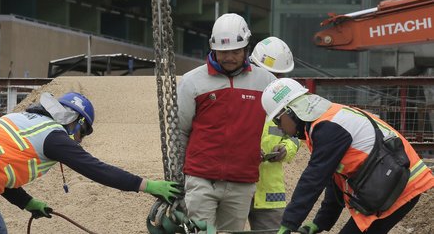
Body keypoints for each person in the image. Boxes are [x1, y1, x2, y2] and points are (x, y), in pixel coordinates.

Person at [0, 91, 183, 233]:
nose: (79, 141)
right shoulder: (54, 135)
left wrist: (28, 202)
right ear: (77, 123)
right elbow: (97, 170)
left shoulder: (23, 119)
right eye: (82, 133)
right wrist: (147, 185)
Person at [262, 78, 434, 234]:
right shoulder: (325, 122)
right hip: (395, 181)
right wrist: (321, 222)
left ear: (290, 111)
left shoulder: (326, 128)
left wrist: (288, 223)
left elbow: (313, 179)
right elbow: (335, 179)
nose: (279, 128)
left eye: (278, 120)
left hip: (399, 185)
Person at [176, 13, 276, 231]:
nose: (229, 57)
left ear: (246, 49)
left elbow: (284, 121)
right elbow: (181, 132)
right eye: (223, 52)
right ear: (213, 49)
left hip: (242, 181)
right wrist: (178, 177)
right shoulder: (192, 81)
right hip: (201, 178)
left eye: (235, 51)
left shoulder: (266, 81)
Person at [247, 36, 300, 230]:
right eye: (271, 73)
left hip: (270, 191)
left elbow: (296, 137)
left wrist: (285, 149)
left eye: (279, 75)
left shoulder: (286, 102)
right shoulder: (241, 95)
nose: (274, 80)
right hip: (235, 183)